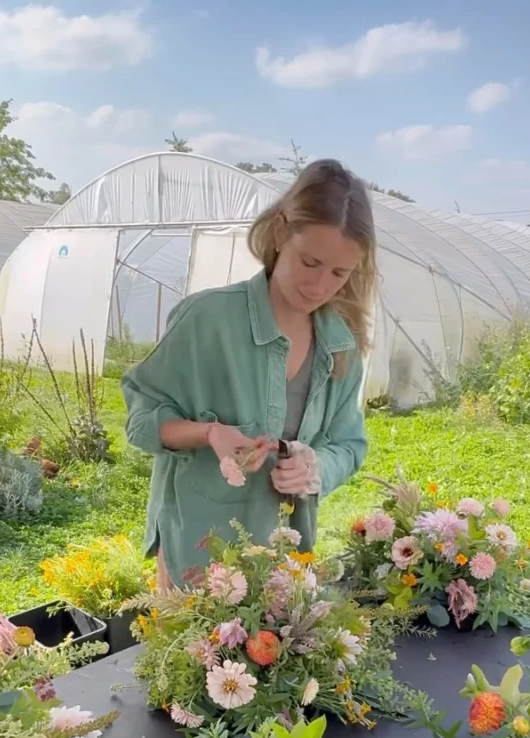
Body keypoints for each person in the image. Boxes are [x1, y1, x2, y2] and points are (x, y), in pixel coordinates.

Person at [122, 158, 376, 590]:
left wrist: (315, 468)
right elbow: (140, 419)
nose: (319, 286)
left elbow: (349, 444)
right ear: (281, 232)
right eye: (310, 262)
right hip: (198, 562)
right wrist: (209, 434)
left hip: (285, 567)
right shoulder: (207, 320)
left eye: (339, 273)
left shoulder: (341, 342)